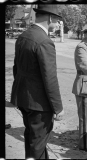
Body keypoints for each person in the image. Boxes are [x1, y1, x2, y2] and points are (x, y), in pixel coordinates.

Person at [10, 5, 64, 159]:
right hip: (39, 105)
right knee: (37, 145)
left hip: (24, 99)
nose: (58, 25)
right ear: (51, 18)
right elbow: (50, 78)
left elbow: (16, 68)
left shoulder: (24, 36)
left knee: (32, 139)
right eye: (58, 21)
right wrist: (58, 108)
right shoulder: (45, 41)